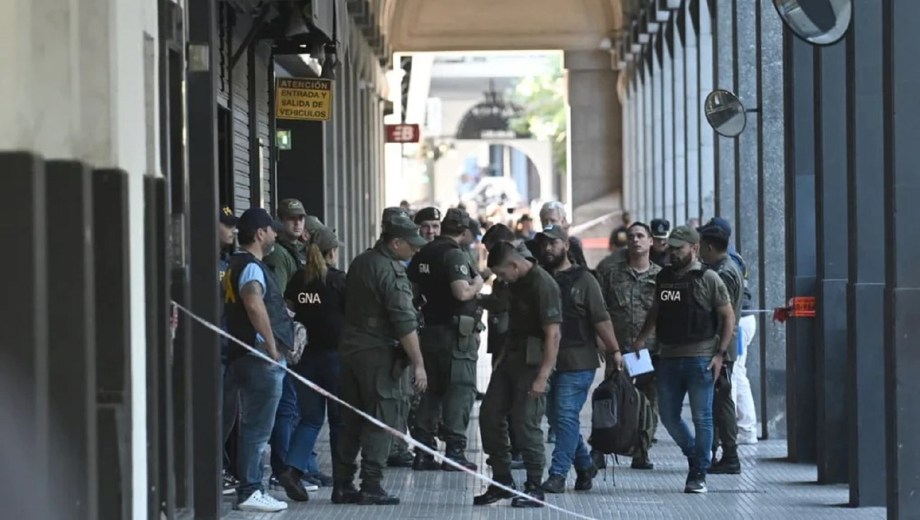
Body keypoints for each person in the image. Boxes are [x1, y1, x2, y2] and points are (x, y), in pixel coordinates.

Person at [332, 215, 429, 506]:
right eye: (411, 245)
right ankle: (371, 484)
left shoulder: (361, 262)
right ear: (395, 242)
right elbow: (404, 322)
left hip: (350, 351)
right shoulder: (391, 271)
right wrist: (419, 364)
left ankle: (343, 484)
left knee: (352, 420)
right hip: (377, 356)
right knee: (381, 418)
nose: (415, 251)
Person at [632, 225, 735, 494]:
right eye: (671, 247)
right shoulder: (665, 278)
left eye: (679, 248)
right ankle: (695, 455)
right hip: (668, 357)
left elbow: (727, 317)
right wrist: (642, 337)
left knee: (702, 418)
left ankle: (698, 472)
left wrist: (720, 355)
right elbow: (659, 309)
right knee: (668, 416)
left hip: (700, 358)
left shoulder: (708, 278)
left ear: (694, 248)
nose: (672, 252)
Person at [537, 224, 623, 494]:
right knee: (557, 417)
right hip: (547, 362)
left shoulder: (584, 280)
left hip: (578, 362)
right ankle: (584, 466)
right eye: (544, 243)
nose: (548, 248)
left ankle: (558, 474)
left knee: (564, 415)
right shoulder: (539, 277)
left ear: (566, 245)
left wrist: (615, 351)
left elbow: (601, 318)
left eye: (553, 243)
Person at [475, 241, 561, 508]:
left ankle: (534, 486)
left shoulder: (543, 285)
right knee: (489, 415)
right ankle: (502, 481)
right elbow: (514, 323)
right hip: (511, 359)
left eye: (502, 274)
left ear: (514, 265)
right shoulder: (515, 283)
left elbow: (553, 333)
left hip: (533, 363)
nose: (501, 280)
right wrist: (501, 357)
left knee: (526, 423)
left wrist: (543, 375)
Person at [222, 208, 293, 512]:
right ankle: (251, 489)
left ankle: (246, 485)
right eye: (272, 229)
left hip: (242, 356)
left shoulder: (234, 265)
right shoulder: (251, 268)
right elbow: (253, 302)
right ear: (260, 233)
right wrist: (273, 347)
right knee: (257, 429)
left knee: (245, 426)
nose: (276, 234)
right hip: (260, 360)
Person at [407, 208, 484, 471]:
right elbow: (462, 293)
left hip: (429, 332)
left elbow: (413, 293)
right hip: (454, 336)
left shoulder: (421, 255)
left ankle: (423, 451)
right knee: (459, 391)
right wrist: (479, 282)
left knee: (431, 392)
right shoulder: (454, 255)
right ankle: (454, 452)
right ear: (463, 232)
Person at [275, 227, 347, 501]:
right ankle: (342, 485)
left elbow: (287, 312)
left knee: (310, 419)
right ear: (331, 252)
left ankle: (292, 471)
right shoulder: (338, 281)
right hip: (334, 360)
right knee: (339, 422)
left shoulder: (297, 280)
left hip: (304, 361)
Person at [594, 221, 661, 470]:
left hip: (649, 351)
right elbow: (598, 310)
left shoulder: (662, 278)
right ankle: (600, 448)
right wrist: (600, 340)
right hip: (618, 349)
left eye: (641, 236)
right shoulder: (611, 275)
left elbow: (670, 312)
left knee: (647, 402)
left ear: (651, 241)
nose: (635, 240)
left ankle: (641, 451)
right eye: (631, 236)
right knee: (609, 398)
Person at [698, 218, 745, 475]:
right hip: (721, 346)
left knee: (721, 400)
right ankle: (719, 450)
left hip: (720, 347)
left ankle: (729, 453)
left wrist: (718, 351)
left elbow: (721, 315)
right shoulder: (726, 266)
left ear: (709, 246)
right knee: (718, 399)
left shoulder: (724, 272)